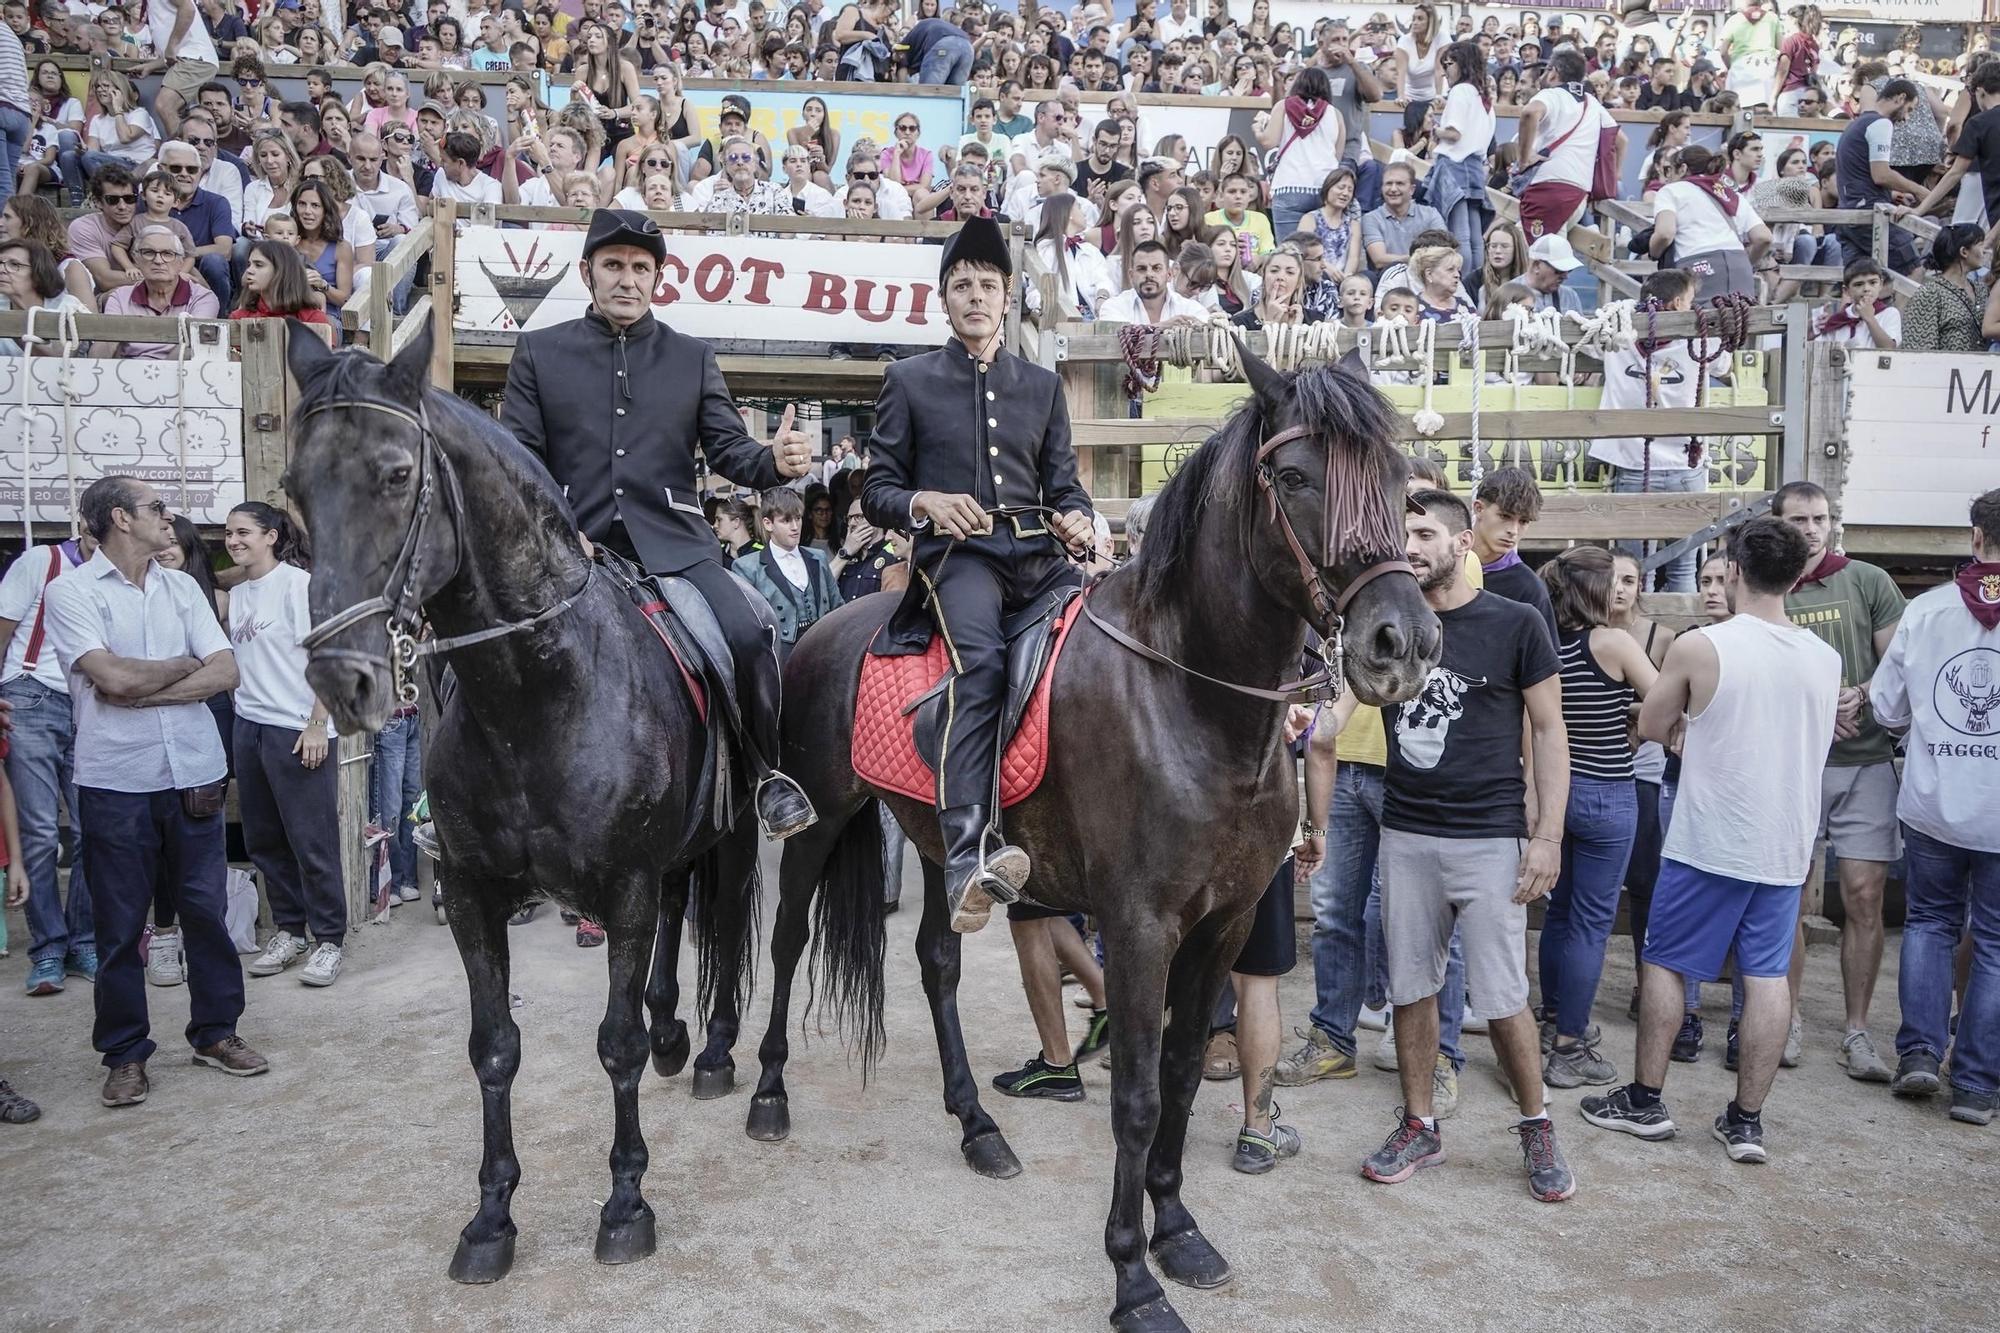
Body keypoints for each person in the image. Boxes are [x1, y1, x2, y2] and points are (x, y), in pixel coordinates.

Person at [500, 209, 817, 841]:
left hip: (675, 547)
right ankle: (470, 802)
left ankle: (765, 777)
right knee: (483, 644)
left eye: (640, 268)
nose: (627, 279)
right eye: (613, 266)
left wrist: (772, 462)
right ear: (587, 272)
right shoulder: (539, 350)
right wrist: (560, 533)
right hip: (570, 548)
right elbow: (519, 461)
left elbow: (731, 451)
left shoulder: (691, 358)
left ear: (658, 279)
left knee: (751, 635)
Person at [859, 215, 1094, 934]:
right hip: (960, 561)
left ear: (1008, 293)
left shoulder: (1043, 385)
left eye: (987, 285)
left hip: (1041, 559)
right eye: (961, 285)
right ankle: (966, 852)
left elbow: (1065, 486)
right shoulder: (909, 379)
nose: (975, 296)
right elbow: (877, 490)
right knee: (983, 666)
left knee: (1101, 651)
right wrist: (923, 502)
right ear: (944, 298)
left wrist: (1080, 517)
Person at [1584, 516, 1838, 1165]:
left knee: (1665, 961)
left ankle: (1646, 1098)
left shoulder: (1702, 646)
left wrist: (1676, 729)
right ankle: (1746, 1118)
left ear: (1737, 570)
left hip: (1711, 837)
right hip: (1785, 841)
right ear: (1800, 573)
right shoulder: (1825, 656)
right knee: (1768, 977)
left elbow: (1651, 721)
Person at [1355, 487, 1575, 1202]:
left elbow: (1548, 731)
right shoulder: (1387, 623)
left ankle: (1537, 1124)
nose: (1411, 546)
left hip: (1490, 835)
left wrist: (1546, 836)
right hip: (1408, 831)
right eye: (1401, 534)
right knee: (1412, 987)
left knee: (1505, 996)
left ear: (1460, 540)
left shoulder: (1514, 621)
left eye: (1423, 533)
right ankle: (1420, 1123)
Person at [43, 475, 268, 1109]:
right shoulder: (71, 592)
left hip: (193, 772)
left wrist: (139, 690)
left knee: (205, 911)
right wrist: (179, 667)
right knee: (119, 926)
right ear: (120, 518)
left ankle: (216, 1033)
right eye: (156, 508)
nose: (169, 518)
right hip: (116, 780)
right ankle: (125, 1053)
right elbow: (107, 674)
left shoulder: (183, 589)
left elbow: (225, 669)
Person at [1870, 487, 2000, 1126]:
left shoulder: (1927, 611)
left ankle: (1920, 1053)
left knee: (1929, 923)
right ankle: (1976, 1085)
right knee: (1997, 943)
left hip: (1935, 802)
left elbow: (1888, 708)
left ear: (1976, 538)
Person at [1775, 480, 1906, 1083]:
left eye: (1820, 518)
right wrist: (1820, 707)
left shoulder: (1867, 581)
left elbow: (1896, 667)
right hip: (1793, 763)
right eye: (1798, 519)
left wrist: (1862, 694)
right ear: (1778, 523)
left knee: (1864, 897)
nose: (1810, 529)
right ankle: (1788, 1018)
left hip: (1866, 759)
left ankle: (1856, 1030)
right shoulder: (1769, 586)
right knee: (1790, 899)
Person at [1535, 546, 1657, 1089]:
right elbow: (1661, 704)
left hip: (1554, 791)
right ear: (1594, 590)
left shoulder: (1543, 642)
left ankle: (1551, 1020)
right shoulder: (1612, 641)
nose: (1621, 591)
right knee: (1590, 924)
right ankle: (1569, 1047)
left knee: (1558, 916)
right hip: (1608, 793)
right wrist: (1630, 712)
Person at [221, 503, 343, 987]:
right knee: (265, 840)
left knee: (312, 841)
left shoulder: (301, 585)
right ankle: (290, 931)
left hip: (297, 729)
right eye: (228, 533)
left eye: (243, 532)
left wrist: (317, 724)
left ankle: (329, 939)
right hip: (249, 725)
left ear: (271, 536)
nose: (233, 540)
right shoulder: (240, 592)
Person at [1231, 703, 1326, 1173]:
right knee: (1257, 983)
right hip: (1263, 827)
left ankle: (1169, 1118)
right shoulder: (1301, 639)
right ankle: (1257, 1130)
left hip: (1180, 817)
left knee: (1175, 974)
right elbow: (1323, 744)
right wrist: (1315, 828)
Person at [0, 531, 95, 997]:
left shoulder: (122, 574)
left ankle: (84, 941)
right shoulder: (43, 560)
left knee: (92, 827)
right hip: (30, 695)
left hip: (92, 704)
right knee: (39, 830)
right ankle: (48, 948)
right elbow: (2, 627)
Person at [1588, 268, 1713, 592]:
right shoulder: (1700, 337)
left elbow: (1586, 340)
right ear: (1675, 305)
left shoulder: (1617, 332)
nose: (1692, 308)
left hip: (1634, 465)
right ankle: (1677, 638)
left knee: (1633, 571)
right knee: (1684, 570)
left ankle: (1637, 638)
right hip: (1684, 467)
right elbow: (1724, 362)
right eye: (1689, 302)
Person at [1512, 48, 1619, 243]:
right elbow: (1620, 139)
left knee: (1533, 257)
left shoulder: (1551, 95)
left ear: (1554, 72)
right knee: (1551, 259)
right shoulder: (1592, 103)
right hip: (1578, 194)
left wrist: (1524, 158)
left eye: (1546, 71)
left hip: (1549, 188)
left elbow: (1529, 113)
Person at [1647, 143, 1770, 303]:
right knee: (1740, 324)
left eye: (1668, 170)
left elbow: (1665, 233)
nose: (1667, 177)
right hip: (1739, 265)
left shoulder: (1672, 190)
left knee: (1697, 325)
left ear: (1683, 169)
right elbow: (1764, 237)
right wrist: (1748, 263)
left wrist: (1653, 251)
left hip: (1696, 266)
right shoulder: (1731, 193)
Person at [732, 487, 842, 664]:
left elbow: (837, 606)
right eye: (786, 520)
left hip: (822, 649)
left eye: (798, 518)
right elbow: (747, 628)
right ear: (768, 524)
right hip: (779, 656)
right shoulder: (747, 567)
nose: (795, 527)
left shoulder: (818, 558)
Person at [1834, 77, 1925, 274]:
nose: (1906, 118)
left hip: (1848, 215)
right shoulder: (1881, 124)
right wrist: (1919, 190)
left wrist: (1892, 194)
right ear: (1901, 98)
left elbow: (1859, 174)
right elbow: (1881, 174)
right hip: (1869, 215)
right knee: (1913, 271)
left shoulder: (1855, 124)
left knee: (1859, 282)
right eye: (1909, 109)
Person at [1470, 467, 1557, 643]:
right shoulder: (1445, 563)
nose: (1513, 530)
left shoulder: (1529, 588)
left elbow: (1545, 665)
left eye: (1523, 521)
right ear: (1479, 508)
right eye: (1505, 516)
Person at [1815, 259, 1900, 350]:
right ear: (1846, 291)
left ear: (1881, 284)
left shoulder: (1889, 313)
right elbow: (1819, 348)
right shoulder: (1838, 320)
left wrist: (1870, 319)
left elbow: (1889, 348)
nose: (1867, 288)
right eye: (1858, 284)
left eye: (1873, 283)